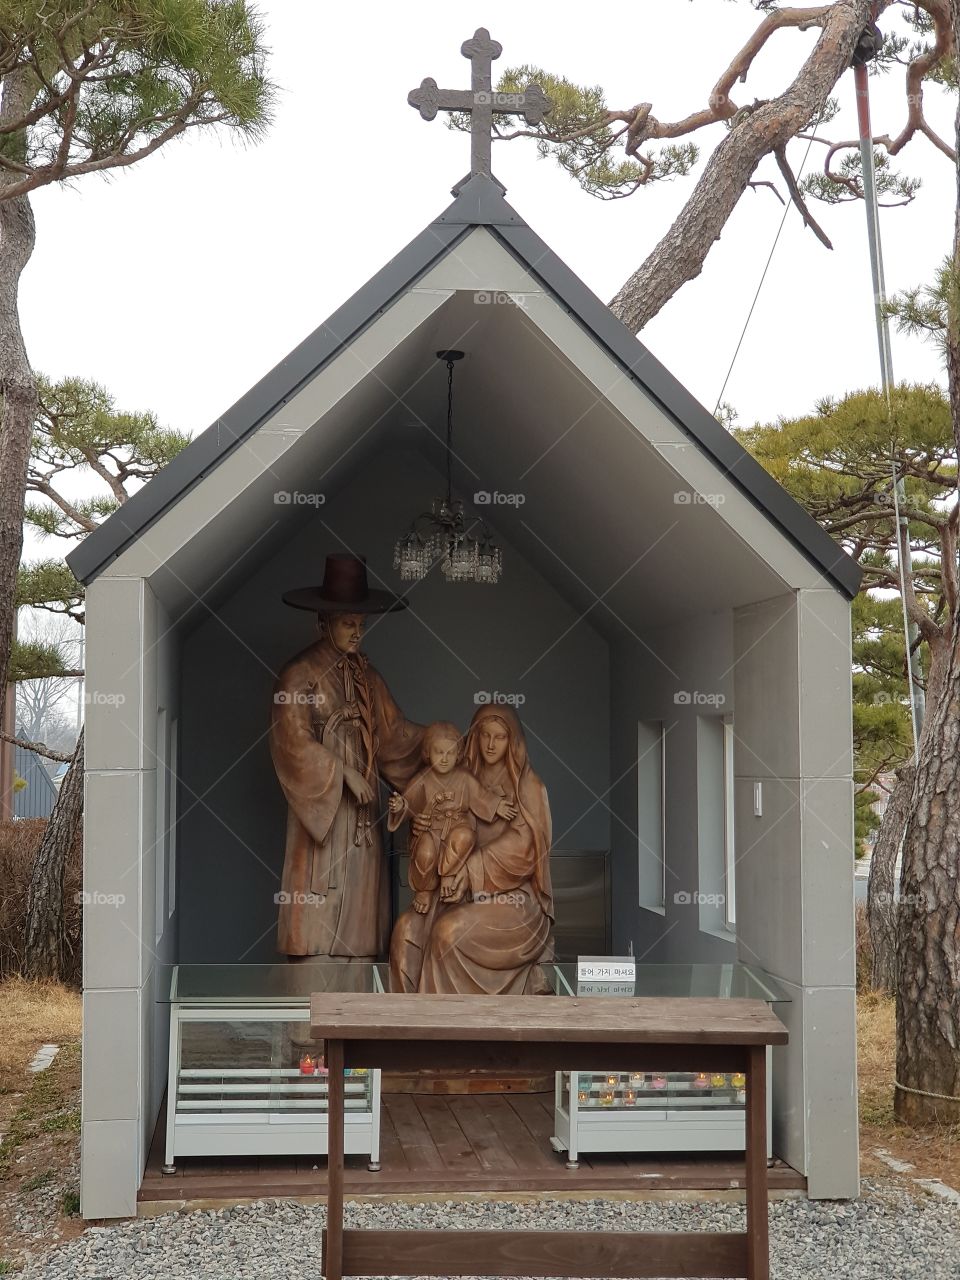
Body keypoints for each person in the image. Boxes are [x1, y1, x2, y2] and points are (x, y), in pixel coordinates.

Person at [270, 554, 423, 961]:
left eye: (361, 625)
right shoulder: (298, 674)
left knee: (361, 914)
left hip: (363, 816)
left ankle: (358, 981)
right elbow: (290, 741)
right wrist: (341, 773)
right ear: (323, 623)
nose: (357, 633)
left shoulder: (367, 677)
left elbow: (396, 738)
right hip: (322, 812)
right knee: (317, 905)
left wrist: (443, 746)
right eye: (347, 624)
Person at [389, 703, 553, 994]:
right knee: (405, 932)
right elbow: (432, 824)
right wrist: (419, 829)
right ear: (474, 738)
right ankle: (408, 1029)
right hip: (455, 892)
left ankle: (449, 1026)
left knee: (447, 933)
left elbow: (527, 849)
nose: (491, 745)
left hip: (514, 900)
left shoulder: (529, 787)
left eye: (500, 737)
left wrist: (470, 869)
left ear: (512, 740)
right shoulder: (461, 776)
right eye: (484, 735)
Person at [387, 721, 516, 915]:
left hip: (458, 825)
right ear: (428, 753)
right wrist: (400, 807)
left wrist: (496, 805)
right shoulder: (422, 779)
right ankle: (424, 890)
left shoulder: (464, 778)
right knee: (425, 854)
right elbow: (409, 802)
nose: (445, 759)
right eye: (439, 752)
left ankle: (449, 874)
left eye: (450, 753)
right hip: (430, 829)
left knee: (464, 838)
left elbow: (481, 796)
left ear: (458, 755)